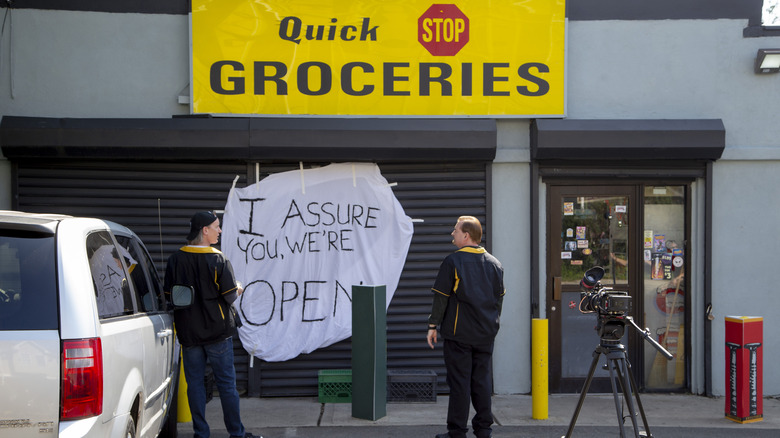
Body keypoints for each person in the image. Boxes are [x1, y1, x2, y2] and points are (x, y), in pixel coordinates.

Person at [164, 211, 258, 438]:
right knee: (226, 385)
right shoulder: (218, 259)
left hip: (189, 335)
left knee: (195, 385)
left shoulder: (175, 259)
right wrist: (237, 285)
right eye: (217, 226)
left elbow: (170, 295)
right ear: (204, 231)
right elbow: (229, 296)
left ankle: (201, 434)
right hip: (218, 333)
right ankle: (237, 434)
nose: (220, 230)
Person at [426, 216, 505, 438]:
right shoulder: (495, 263)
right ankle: (484, 430)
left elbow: (441, 298)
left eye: (455, 230)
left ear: (466, 235)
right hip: (485, 335)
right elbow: (499, 301)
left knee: (460, 383)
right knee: (481, 382)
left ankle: (457, 432)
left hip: (459, 335)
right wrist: (492, 324)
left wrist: (433, 325)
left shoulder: (453, 262)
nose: (453, 234)